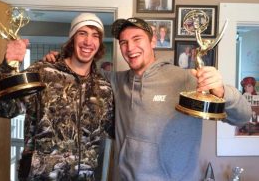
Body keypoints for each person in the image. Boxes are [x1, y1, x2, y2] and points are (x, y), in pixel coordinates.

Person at [44, 17, 251, 180]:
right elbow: (81, 72)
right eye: (124, 42)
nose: (130, 48)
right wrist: (59, 61)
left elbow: (242, 116)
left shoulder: (186, 79)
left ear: (152, 41)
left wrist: (221, 91)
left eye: (137, 39)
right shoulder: (115, 81)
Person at [0, 13, 114, 181]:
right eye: (82, 33)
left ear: (99, 43)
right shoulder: (43, 72)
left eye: (95, 35)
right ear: (72, 38)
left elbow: (116, 129)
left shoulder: (103, 87)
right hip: (39, 176)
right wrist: (8, 65)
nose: (88, 41)